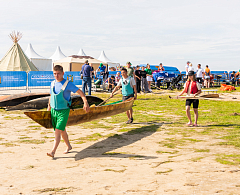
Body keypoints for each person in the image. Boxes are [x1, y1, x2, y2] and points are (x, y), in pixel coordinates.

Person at [47, 65, 90, 158]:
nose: (56, 75)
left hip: (64, 111)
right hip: (54, 111)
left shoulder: (68, 84)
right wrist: (48, 107)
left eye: (58, 73)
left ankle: (52, 152)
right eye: (54, 74)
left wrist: (85, 102)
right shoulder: (52, 83)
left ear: (63, 73)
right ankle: (69, 146)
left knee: (58, 131)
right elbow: (51, 96)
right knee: (62, 131)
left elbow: (80, 93)